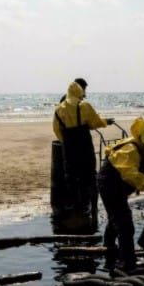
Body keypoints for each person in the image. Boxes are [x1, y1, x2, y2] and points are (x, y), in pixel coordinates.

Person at [98, 119, 144, 270]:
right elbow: (129, 174)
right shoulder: (130, 150)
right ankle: (128, 263)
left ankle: (109, 251)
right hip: (109, 185)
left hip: (119, 187)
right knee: (125, 225)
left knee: (116, 218)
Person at [52, 80, 114, 212]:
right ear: (80, 91)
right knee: (90, 175)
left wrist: (66, 141)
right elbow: (94, 122)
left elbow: (56, 130)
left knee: (71, 176)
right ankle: (92, 205)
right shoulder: (84, 106)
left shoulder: (58, 110)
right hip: (84, 146)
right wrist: (106, 122)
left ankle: (76, 206)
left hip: (69, 148)